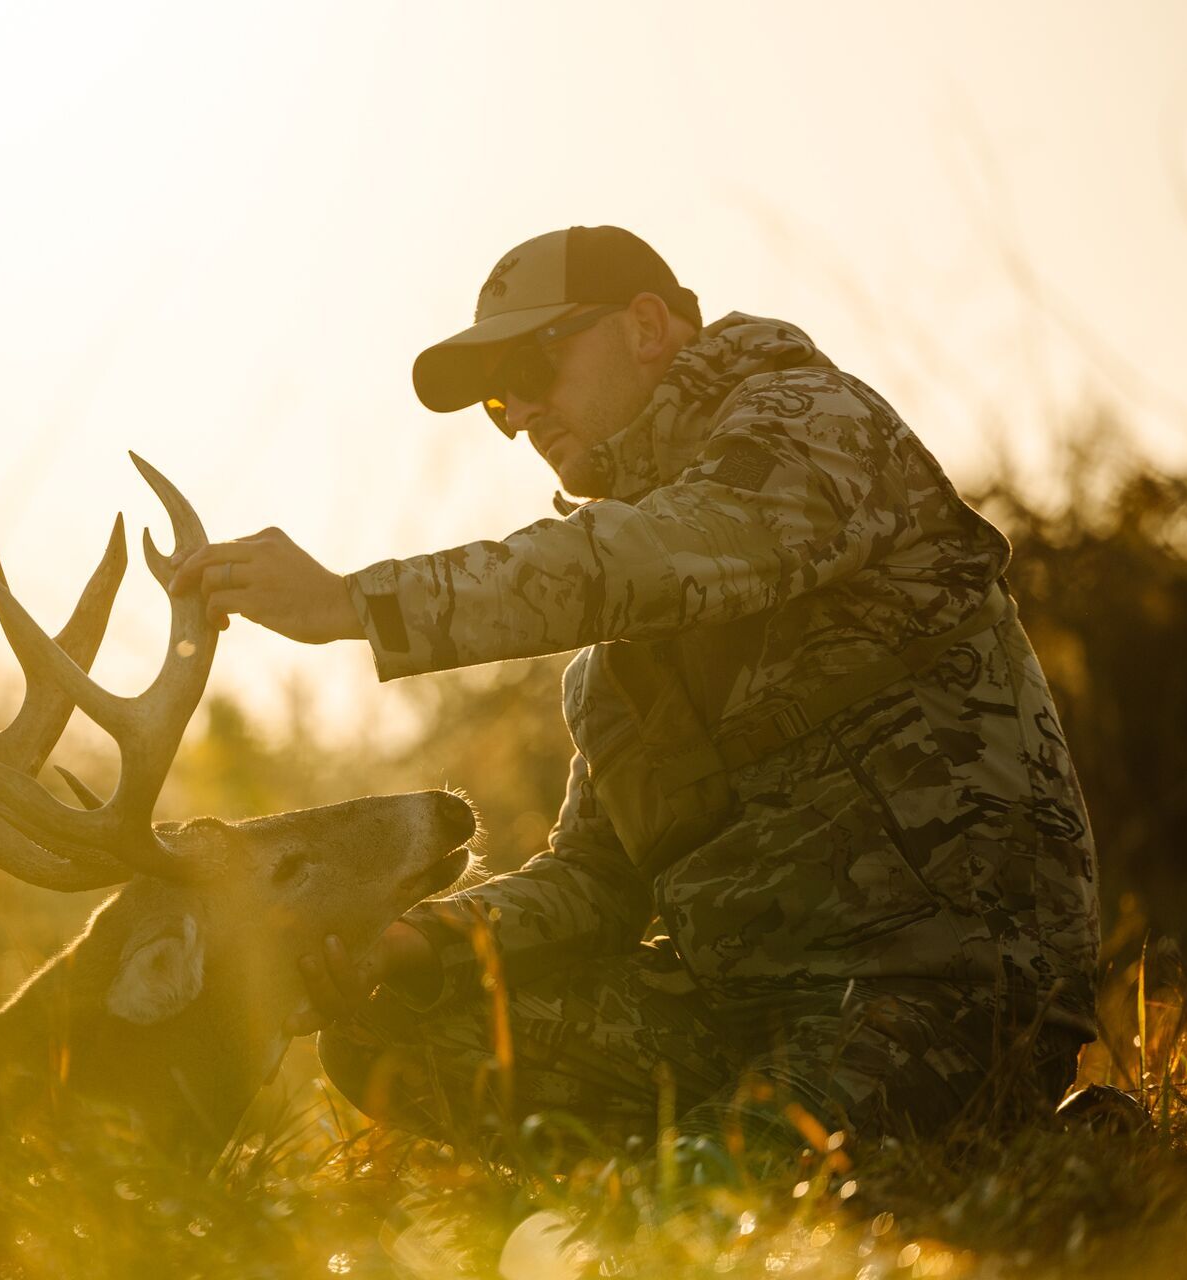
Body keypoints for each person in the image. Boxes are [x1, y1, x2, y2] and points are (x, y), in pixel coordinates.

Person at [169, 225, 1099, 1153]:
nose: (520, 411)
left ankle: (1005, 1137)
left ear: (647, 326)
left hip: (945, 995)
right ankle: (725, 1152)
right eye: (497, 399)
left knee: (697, 1215)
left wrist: (351, 600)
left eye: (534, 365)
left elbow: (656, 554)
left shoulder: (816, 426)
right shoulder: (623, 651)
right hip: (737, 1011)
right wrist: (414, 944)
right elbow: (596, 884)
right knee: (383, 1029)